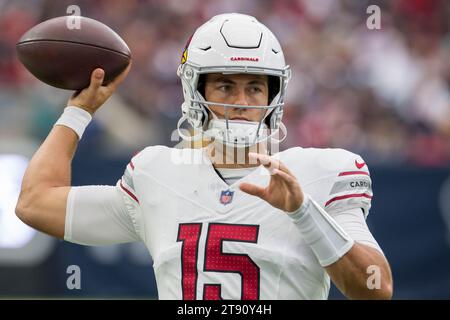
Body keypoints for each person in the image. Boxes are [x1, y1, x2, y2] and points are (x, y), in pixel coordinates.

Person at [16, 13, 393, 300]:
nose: (242, 103)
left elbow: (376, 288)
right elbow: (34, 203)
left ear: (273, 97)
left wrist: (303, 211)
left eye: (255, 87)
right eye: (226, 86)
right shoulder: (156, 173)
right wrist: (79, 111)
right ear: (195, 90)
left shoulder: (323, 172)